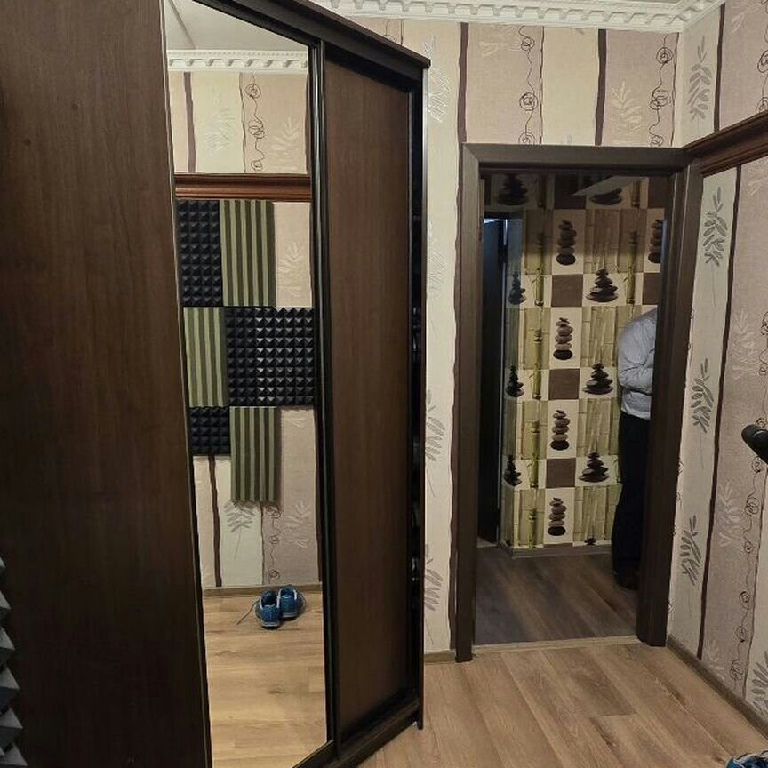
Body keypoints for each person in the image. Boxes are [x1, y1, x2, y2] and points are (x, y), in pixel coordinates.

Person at [613, 306, 657, 589]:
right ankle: (626, 565)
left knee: (666, 494)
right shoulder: (640, 329)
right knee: (635, 491)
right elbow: (626, 376)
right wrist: (667, 372)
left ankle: (654, 562)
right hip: (639, 423)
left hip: (674, 421)